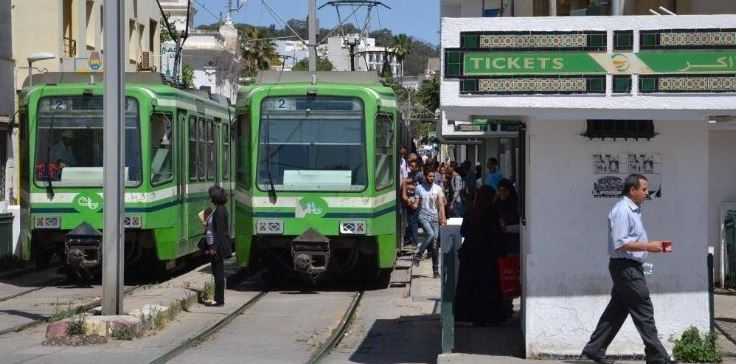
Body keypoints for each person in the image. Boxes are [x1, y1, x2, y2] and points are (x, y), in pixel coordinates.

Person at [581, 174, 673, 364]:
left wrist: (649, 247)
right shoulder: (623, 210)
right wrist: (650, 246)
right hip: (626, 268)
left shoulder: (632, 210)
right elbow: (620, 243)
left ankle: (592, 353)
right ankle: (658, 358)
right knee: (644, 308)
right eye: (644, 190)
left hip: (628, 267)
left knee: (616, 311)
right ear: (632, 190)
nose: (646, 194)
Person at [455, 185, 507, 326]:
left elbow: (463, 232)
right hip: (487, 256)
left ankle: (472, 317)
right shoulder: (491, 213)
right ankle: (488, 317)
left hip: (470, 255)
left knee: (471, 287)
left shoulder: (470, 212)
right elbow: (496, 234)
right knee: (487, 286)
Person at [412, 166, 446, 278]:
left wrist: (443, 217)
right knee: (430, 234)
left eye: (433, 176)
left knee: (435, 242)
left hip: (434, 217)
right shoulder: (419, 188)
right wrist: (412, 203)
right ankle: (418, 255)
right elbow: (416, 203)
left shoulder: (437, 188)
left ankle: (435, 271)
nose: (432, 178)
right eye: (430, 176)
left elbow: (440, 204)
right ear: (425, 176)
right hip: (423, 216)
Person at [204, 185, 231, 307]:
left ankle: (219, 300)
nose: (210, 197)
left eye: (211, 195)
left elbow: (220, 232)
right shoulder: (218, 209)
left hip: (217, 247)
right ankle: (217, 298)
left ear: (215, 197)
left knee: (218, 273)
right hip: (216, 245)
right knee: (216, 272)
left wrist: (214, 248)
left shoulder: (219, 211)